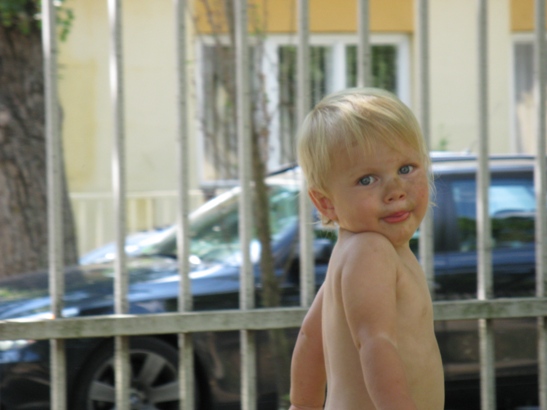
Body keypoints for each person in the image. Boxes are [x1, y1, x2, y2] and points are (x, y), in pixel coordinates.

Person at [289, 88, 444, 410]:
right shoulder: (371, 251)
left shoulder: (354, 252)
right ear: (326, 203)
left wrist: (302, 405)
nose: (395, 190)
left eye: (406, 169)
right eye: (367, 179)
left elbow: (310, 338)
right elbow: (377, 344)